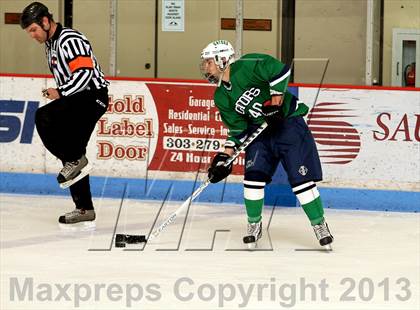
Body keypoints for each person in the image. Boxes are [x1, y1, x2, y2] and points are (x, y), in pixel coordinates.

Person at [200, 40, 334, 249]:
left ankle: (320, 225)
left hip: (288, 125)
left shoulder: (247, 65)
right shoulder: (221, 96)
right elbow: (237, 129)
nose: (205, 67)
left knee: (301, 182)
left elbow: (280, 71)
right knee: (252, 179)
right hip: (260, 133)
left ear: (222, 59)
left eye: (208, 62)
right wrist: (224, 157)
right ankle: (254, 225)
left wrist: (276, 102)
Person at [20, 2, 109, 225]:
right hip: (78, 99)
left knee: (44, 117)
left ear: (45, 21)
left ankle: (75, 161)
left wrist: (60, 92)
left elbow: (85, 74)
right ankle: (84, 209)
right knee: (72, 152)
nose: (32, 35)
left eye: (33, 30)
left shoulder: (70, 39)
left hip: (91, 97)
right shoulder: (50, 44)